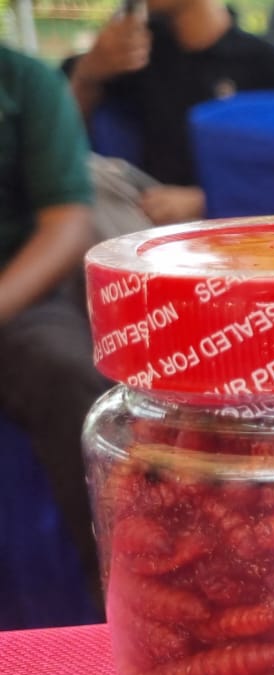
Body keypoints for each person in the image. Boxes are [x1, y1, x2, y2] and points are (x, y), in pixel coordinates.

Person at [0, 47, 109, 600]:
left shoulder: (25, 82)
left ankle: (121, 593)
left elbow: (67, 223)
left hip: (17, 296)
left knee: (69, 374)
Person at [65, 0, 274, 225]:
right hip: (141, 216)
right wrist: (88, 75)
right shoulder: (132, 54)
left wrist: (205, 200)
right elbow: (60, 150)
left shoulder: (267, 63)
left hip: (234, 223)